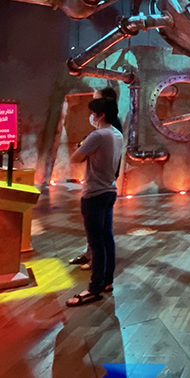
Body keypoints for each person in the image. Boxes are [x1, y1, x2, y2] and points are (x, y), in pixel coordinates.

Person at [65, 88, 125, 307]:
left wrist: (82, 145)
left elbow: (75, 158)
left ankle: (94, 288)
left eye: (93, 112)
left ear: (101, 115)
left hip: (94, 193)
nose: (91, 116)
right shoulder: (117, 134)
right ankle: (107, 281)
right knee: (107, 239)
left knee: (96, 243)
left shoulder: (98, 135)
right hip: (109, 191)